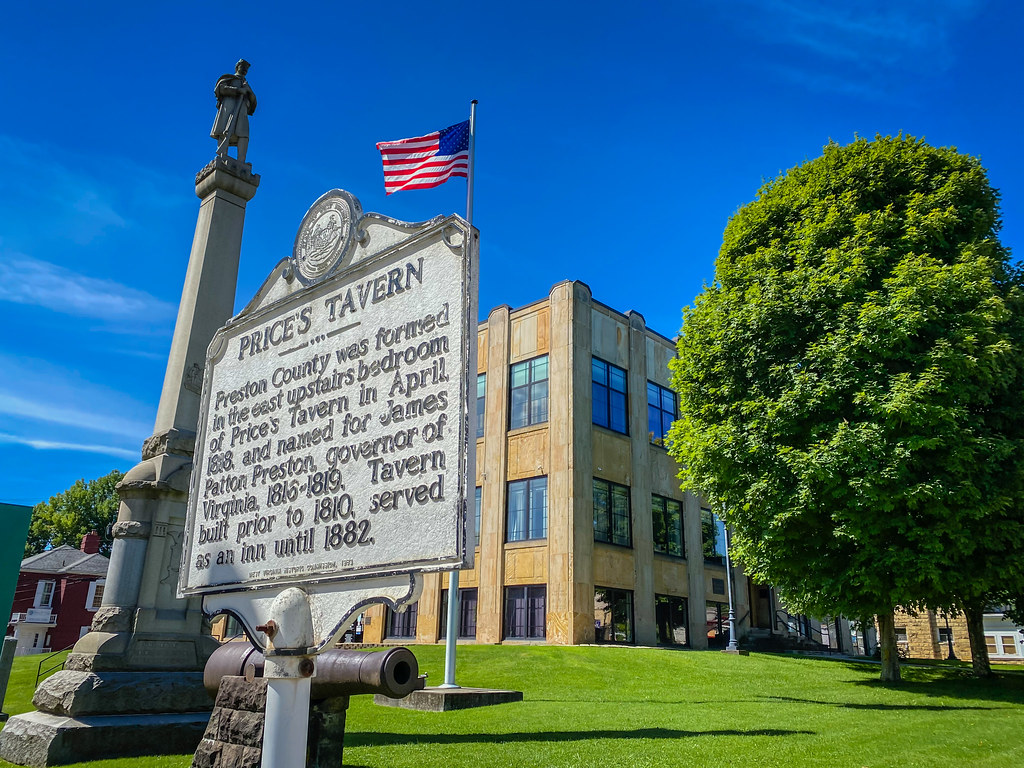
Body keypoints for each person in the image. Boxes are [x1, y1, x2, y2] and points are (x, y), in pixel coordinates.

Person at [211, 59, 257, 164]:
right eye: (243, 67)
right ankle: (223, 157)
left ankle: (241, 161)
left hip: (242, 111)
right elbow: (220, 89)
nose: (245, 70)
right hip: (229, 108)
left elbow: (254, 103)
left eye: (246, 69)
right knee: (224, 129)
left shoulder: (246, 84)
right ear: (237, 67)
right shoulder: (229, 78)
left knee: (244, 134)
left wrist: (249, 91)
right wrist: (237, 90)